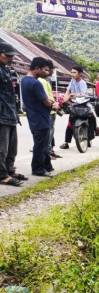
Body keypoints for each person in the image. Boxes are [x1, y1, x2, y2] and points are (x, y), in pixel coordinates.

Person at [21, 57, 58, 177]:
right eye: (45, 70)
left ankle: (47, 165)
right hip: (41, 117)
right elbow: (46, 102)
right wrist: (54, 104)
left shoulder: (24, 80)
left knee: (42, 142)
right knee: (40, 144)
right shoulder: (36, 83)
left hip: (33, 117)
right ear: (37, 68)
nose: (47, 73)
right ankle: (38, 168)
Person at [0, 42, 26, 186]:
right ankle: (2, 175)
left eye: (12, 56)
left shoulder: (7, 70)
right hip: (1, 115)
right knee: (1, 148)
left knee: (12, 147)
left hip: (10, 114)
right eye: (7, 55)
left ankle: (9, 170)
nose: (10, 58)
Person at [61, 65, 87, 150]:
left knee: (92, 115)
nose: (72, 74)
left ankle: (96, 129)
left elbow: (83, 94)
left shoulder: (83, 82)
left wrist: (71, 95)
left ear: (80, 74)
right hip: (75, 105)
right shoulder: (72, 80)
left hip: (83, 104)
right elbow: (68, 89)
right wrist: (66, 96)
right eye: (71, 72)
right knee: (70, 124)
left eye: (74, 72)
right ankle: (66, 142)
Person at [37, 74, 61, 159]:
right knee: (49, 132)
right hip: (49, 110)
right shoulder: (43, 81)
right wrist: (54, 105)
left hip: (47, 111)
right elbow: (46, 97)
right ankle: (47, 153)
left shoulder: (43, 80)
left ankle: (50, 150)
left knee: (49, 132)